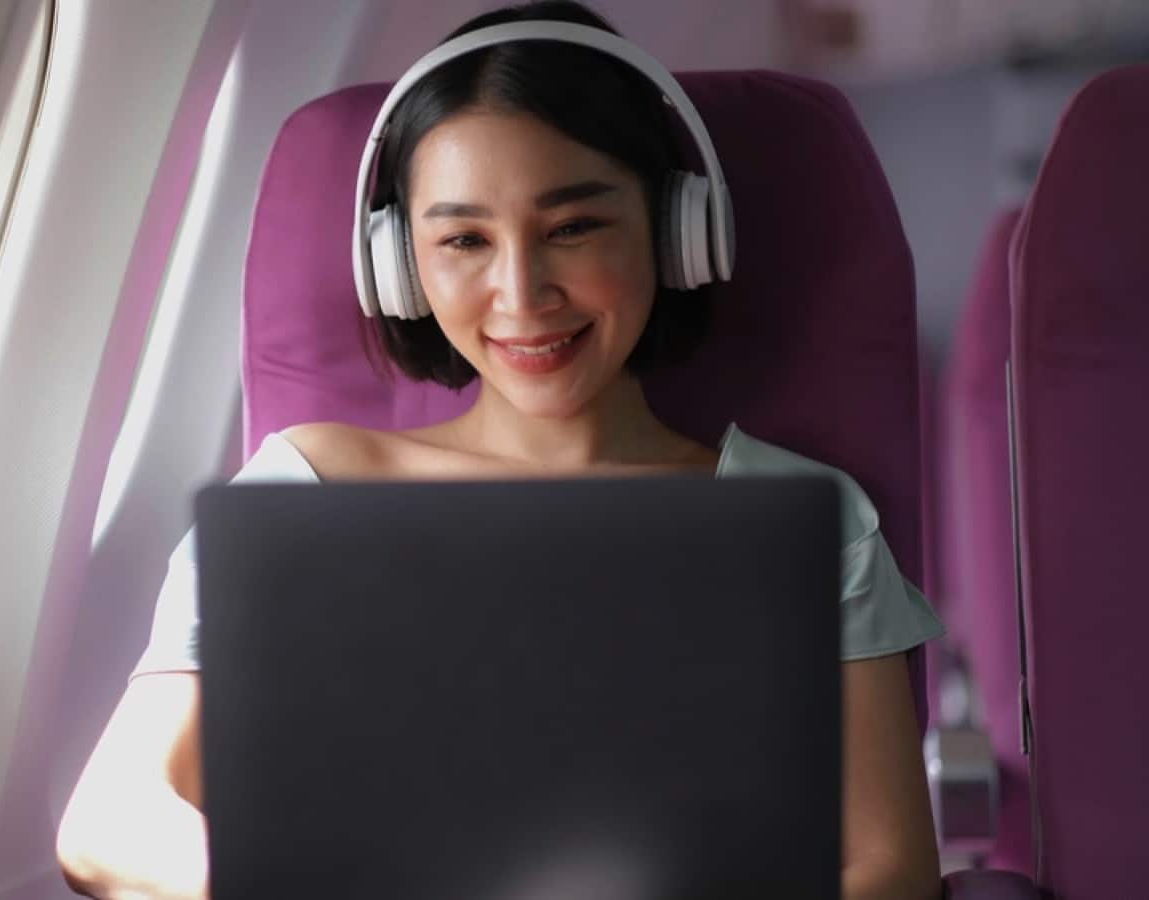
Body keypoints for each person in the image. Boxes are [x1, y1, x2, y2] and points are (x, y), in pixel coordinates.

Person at [57, 3, 946, 898]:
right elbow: (110, 827)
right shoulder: (307, 491)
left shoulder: (805, 521)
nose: (521, 293)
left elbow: (890, 871)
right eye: (464, 241)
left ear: (677, 230)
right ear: (401, 267)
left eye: (572, 228)